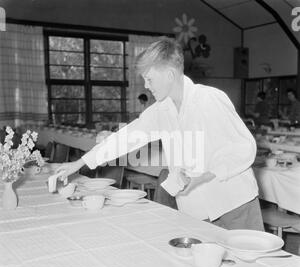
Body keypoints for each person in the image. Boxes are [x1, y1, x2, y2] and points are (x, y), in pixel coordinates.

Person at [57, 38, 264, 231]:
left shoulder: (209, 99)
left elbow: (243, 148)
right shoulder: (161, 110)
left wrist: (203, 176)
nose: (146, 86)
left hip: (234, 203)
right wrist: (79, 163)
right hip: (197, 209)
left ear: (170, 75)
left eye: (149, 79)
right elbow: (126, 137)